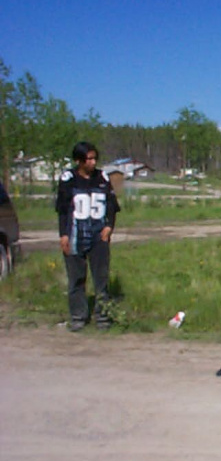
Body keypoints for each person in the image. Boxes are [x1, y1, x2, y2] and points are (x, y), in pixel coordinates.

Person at [56, 141, 121, 331]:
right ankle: (78, 316)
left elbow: (111, 206)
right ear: (79, 161)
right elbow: (62, 209)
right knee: (76, 278)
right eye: (89, 159)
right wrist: (64, 235)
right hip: (75, 233)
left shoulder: (102, 177)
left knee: (101, 278)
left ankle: (103, 316)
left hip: (98, 235)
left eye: (95, 158)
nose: (93, 162)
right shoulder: (68, 179)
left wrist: (109, 227)